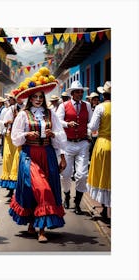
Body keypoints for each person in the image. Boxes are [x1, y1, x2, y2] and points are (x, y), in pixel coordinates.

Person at [9, 67, 67, 243]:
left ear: (44, 99)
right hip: (29, 155)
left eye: (40, 97)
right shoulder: (23, 115)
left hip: (48, 155)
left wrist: (55, 138)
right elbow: (15, 138)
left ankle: (39, 227)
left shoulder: (51, 114)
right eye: (34, 97)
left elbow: (61, 135)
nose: (38, 100)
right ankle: (36, 225)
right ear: (29, 98)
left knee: (45, 189)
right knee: (39, 188)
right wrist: (27, 135)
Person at [56, 80, 93, 214]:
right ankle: (66, 194)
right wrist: (67, 124)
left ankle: (77, 203)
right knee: (65, 174)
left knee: (82, 175)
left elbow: (90, 122)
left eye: (81, 92)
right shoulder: (63, 106)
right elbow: (58, 121)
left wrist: (88, 133)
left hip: (82, 143)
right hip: (67, 143)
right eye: (77, 92)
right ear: (72, 93)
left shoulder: (87, 105)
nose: (80, 94)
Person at [87, 81, 111, 222]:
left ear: (103, 95)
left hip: (103, 144)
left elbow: (93, 126)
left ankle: (104, 210)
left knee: (103, 176)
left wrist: (89, 125)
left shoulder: (100, 108)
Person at [0, 90, 24, 197]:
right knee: (9, 159)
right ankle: (10, 188)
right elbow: (2, 122)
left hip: (21, 138)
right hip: (10, 138)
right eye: (15, 97)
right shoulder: (9, 110)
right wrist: (7, 123)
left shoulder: (26, 108)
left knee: (19, 161)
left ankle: (21, 187)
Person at [87, 92, 100, 160]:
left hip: (98, 131)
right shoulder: (89, 108)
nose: (96, 101)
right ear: (91, 100)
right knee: (91, 148)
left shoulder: (100, 108)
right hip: (90, 131)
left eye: (97, 100)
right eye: (94, 100)